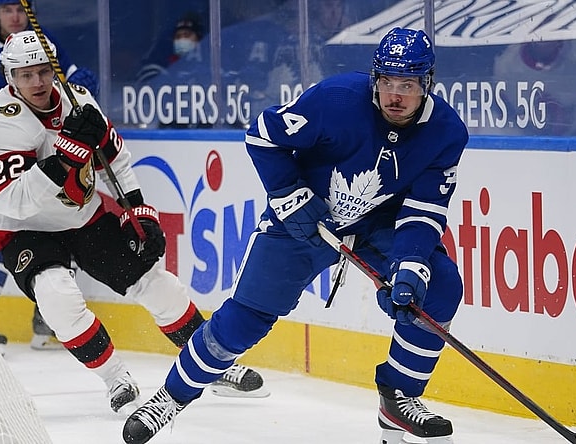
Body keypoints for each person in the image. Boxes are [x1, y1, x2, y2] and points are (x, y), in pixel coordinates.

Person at [123, 27, 468, 444]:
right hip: (304, 220)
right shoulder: (336, 99)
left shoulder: (447, 132)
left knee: (439, 285)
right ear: (374, 79)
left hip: (380, 224)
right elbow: (263, 135)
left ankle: (399, 399)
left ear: (427, 85)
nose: (395, 95)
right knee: (244, 320)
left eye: (408, 86)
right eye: (387, 83)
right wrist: (288, 194)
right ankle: (170, 397)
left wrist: (410, 266)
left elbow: (425, 208)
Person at [0, 30, 269, 414]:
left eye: (44, 71)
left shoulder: (78, 102)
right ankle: (116, 378)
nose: (38, 82)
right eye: (26, 74)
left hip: (80, 215)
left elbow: (116, 159)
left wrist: (138, 208)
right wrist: (63, 159)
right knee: (57, 298)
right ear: (9, 77)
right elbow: (13, 202)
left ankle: (210, 363)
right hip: (23, 228)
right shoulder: (0, 125)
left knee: (157, 283)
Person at [0, 0, 99, 351]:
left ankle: (46, 323)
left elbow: (70, 95)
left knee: (61, 235)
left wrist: (83, 89)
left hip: (56, 162)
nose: (15, 17)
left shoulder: (44, 43)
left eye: (19, 9)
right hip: (6, 161)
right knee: (5, 236)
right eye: (6, 10)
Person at [135, 13, 204, 85]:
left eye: (186, 35)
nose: (182, 39)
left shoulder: (209, 65)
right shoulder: (162, 69)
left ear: (198, 39)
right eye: (178, 36)